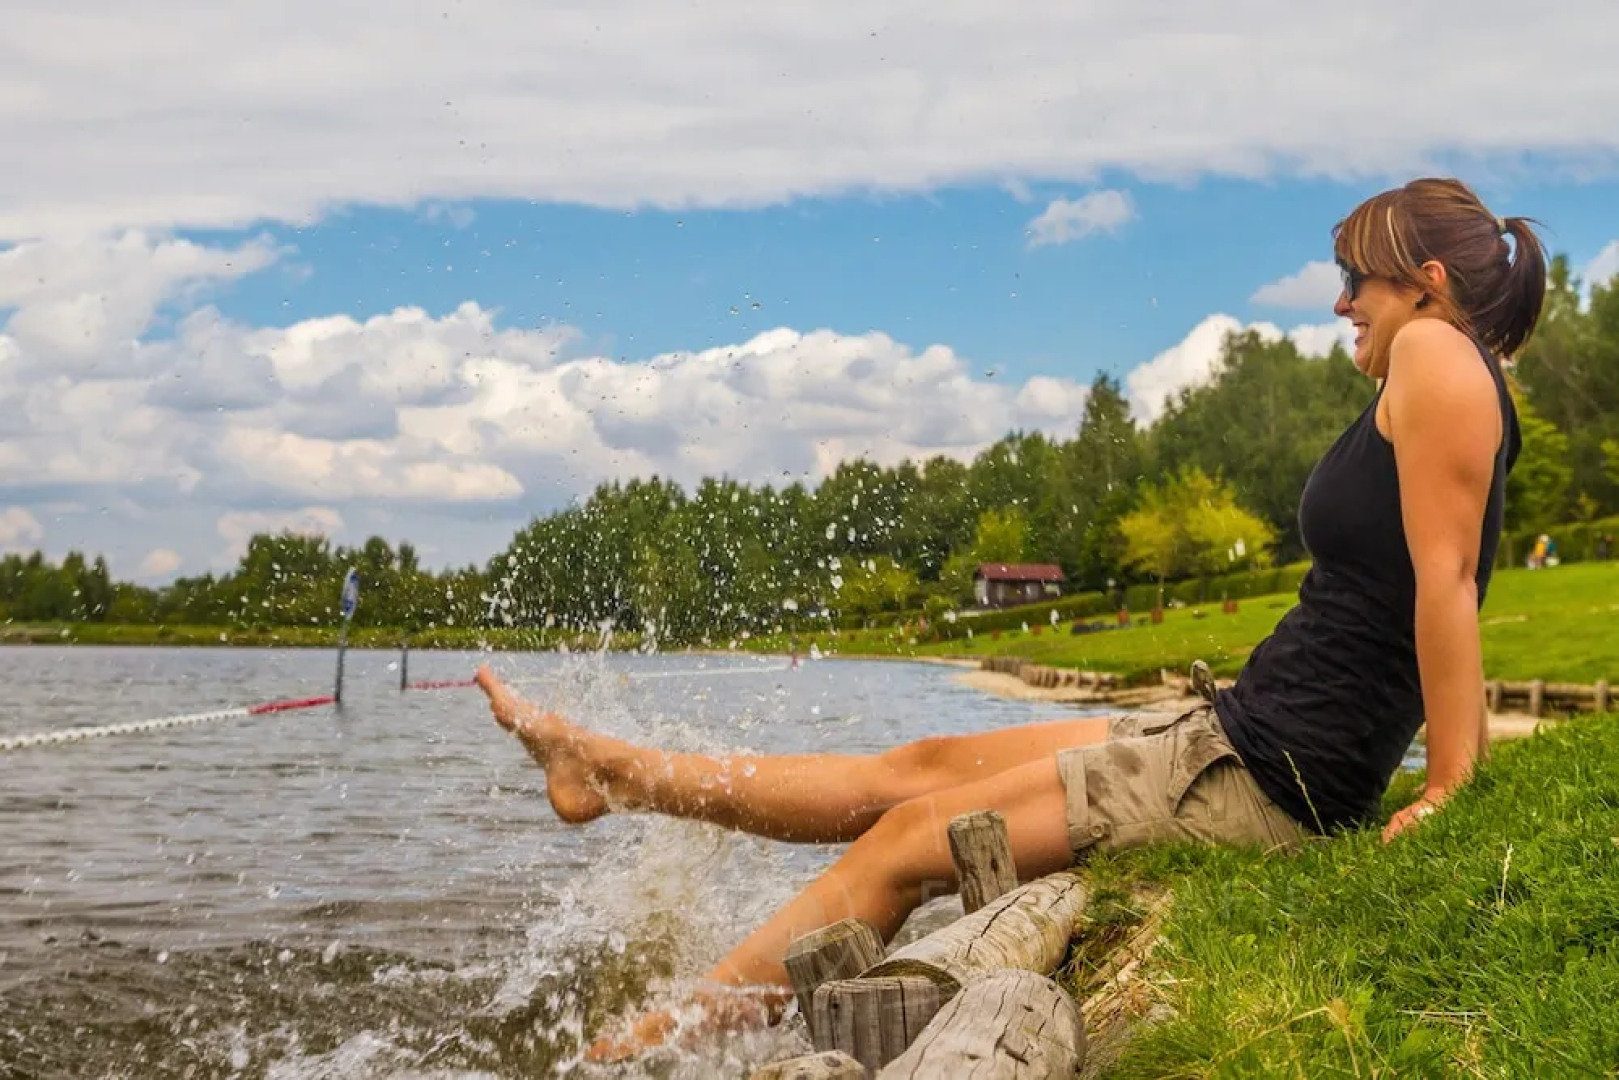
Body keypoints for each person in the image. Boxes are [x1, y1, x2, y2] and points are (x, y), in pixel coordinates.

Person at [474, 175, 1544, 1060]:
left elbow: (1445, 587)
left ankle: (637, 1051)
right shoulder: (1443, 366)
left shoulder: (1434, 354)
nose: (1340, 303)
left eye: (1354, 278)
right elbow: (1420, 583)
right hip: (1237, 737)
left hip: (1258, 778)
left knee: (903, 841)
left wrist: (1450, 787)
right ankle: (612, 772)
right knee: (918, 763)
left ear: (1426, 282)